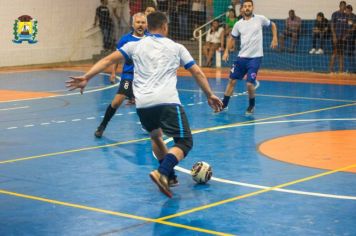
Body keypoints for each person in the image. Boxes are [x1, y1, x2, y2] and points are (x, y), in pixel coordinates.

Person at [66, 11, 223, 198]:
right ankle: (162, 172)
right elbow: (197, 72)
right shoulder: (176, 47)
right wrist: (210, 94)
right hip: (167, 101)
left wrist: (87, 77)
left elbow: (108, 59)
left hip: (143, 104)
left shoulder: (134, 45)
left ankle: (170, 177)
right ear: (165, 26)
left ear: (148, 26)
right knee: (184, 142)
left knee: (156, 136)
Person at [95, 13, 148, 138]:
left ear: (146, 24)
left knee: (147, 102)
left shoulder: (150, 39)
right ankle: (102, 125)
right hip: (129, 76)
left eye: (143, 22)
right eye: (138, 22)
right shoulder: (125, 39)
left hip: (145, 77)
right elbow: (116, 58)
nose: (140, 25)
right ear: (132, 24)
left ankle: (149, 124)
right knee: (117, 101)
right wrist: (113, 72)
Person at [221, 0, 278, 115]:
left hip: (255, 58)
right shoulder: (238, 24)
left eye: (249, 6)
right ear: (242, 9)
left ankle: (251, 105)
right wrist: (226, 51)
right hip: (242, 57)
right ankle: (224, 105)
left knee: (249, 84)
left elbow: (273, 25)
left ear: (252, 7)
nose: (247, 8)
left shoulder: (260, 19)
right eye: (245, 6)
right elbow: (231, 38)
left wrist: (275, 38)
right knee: (231, 80)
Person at [329, 1, 348, 73]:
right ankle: (331, 70)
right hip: (336, 37)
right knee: (334, 53)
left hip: (342, 38)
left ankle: (341, 71)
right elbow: (332, 26)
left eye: (344, 6)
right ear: (339, 6)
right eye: (342, 5)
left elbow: (347, 27)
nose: (343, 7)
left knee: (341, 54)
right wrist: (334, 36)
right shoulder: (335, 14)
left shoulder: (346, 16)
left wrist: (345, 36)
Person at [344, 4, 356, 73]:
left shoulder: (353, 17)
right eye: (346, 10)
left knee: (351, 53)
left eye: (347, 10)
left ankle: (352, 70)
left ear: (351, 10)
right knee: (348, 53)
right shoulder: (345, 17)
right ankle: (349, 69)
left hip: (352, 37)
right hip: (346, 37)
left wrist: (348, 32)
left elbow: (354, 27)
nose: (346, 11)